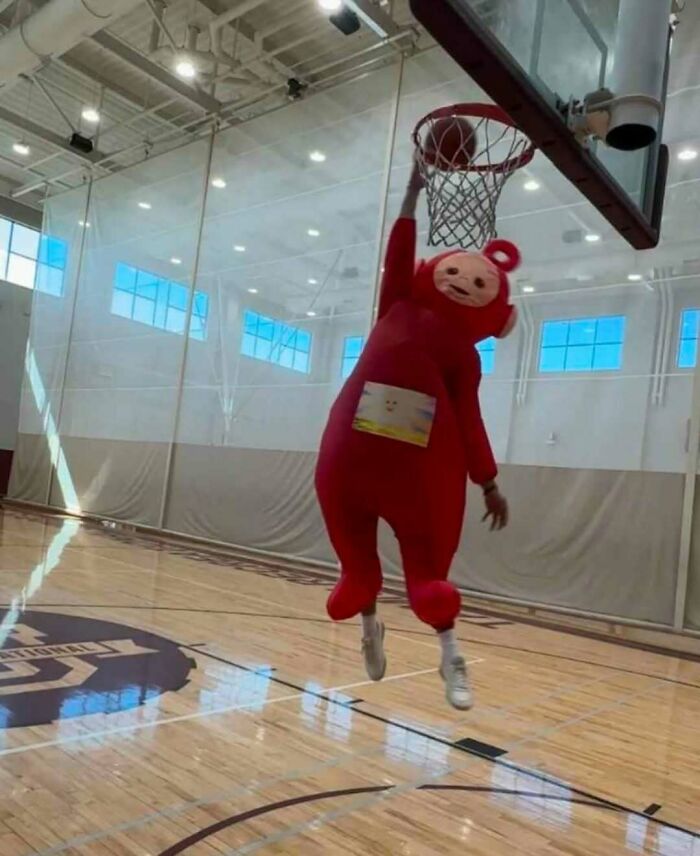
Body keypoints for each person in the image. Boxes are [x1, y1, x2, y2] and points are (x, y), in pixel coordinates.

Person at [315, 161, 518, 709]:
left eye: (480, 284)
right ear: (432, 273)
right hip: (354, 453)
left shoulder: (465, 357)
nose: (464, 282)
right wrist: (411, 192)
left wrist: (488, 481)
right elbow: (398, 254)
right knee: (358, 561)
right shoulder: (398, 303)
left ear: (498, 313)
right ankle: (369, 624)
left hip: (423, 470)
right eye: (456, 274)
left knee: (429, 578)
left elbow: (469, 418)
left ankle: (451, 655)